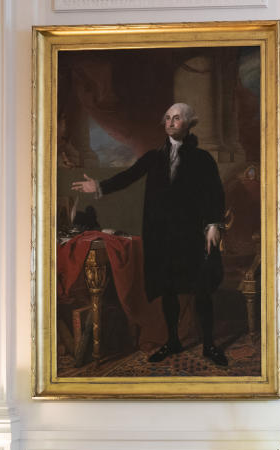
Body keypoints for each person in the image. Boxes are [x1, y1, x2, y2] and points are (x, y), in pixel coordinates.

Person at [72, 103, 229, 366]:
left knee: (201, 290)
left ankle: (210, 345)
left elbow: (216, 193)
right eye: (167, 117)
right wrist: (98, 186)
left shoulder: (203, 159)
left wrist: (213, 224)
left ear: (189, 124)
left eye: (176, 118)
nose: (170, 122)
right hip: (163, 236)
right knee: (167, 290)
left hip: (193, 236)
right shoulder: (154, 157)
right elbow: (128, 176)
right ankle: (173, 341)